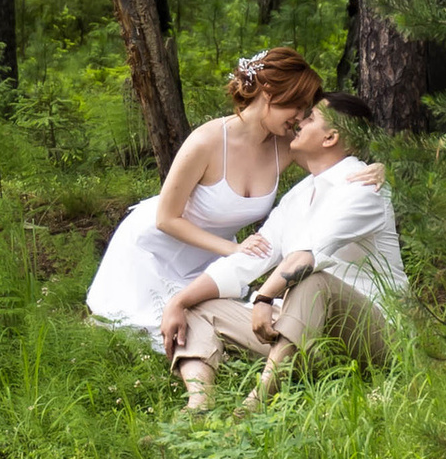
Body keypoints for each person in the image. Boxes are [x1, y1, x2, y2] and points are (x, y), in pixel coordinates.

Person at [158, 97, 407, 410]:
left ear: (331, 137)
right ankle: (199, 406)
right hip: (306, 334)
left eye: (311, 118)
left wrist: (264, 297)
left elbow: (309, 256)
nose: (299, 122)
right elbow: (250, 258)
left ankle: (254, 408)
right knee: (197, 307)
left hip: (371, 337)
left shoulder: (363, 186)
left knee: (312, 281)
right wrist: (178, 301)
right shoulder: (300, 195)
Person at [86, 47, 326, 351]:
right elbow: (166, 219)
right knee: (150, 339)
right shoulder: (208, 141)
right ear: (268, 94)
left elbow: (330, 167)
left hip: (208, 257)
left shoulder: (285, 145)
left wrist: (371, 170)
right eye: (298, 105)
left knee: (214, 333)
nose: (301, 117)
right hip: (155, 249)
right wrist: (233, 249)